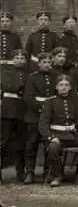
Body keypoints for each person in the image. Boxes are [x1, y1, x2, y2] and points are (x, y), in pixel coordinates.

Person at [38, 74, 78, 187]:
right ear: (56, 87)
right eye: (61, 85)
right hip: (56, 135)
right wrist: (51, 137)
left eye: (66, 85)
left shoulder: (74, 101)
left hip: (71, 135)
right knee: (53, 148)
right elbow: (43, 124)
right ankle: (57, 175)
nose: (64, 87)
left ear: (70, 87)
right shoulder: (50, 102)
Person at [23, 52, 56, 184]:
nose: (47, 65)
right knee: (31, 144)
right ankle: (30, 172)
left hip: (51, 117)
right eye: (44, 62)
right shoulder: (32, 78)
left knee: (49, 144)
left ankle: (48, 172)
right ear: (39, 63)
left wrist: (50, 111)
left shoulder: (56, 77)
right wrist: (42, 108)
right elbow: (28, 98)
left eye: (49, 62)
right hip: (34, 115)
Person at [0, 49, 28, 182]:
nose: (19, 60)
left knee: (21, 142)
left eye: (22, 58)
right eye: (17, 58)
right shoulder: (5, 73)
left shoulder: (29, 74)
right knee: (3, 141)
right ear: (12, 60)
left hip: (23, 111)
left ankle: (20, 172)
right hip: (7, 110)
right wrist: (21, 88)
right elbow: (8, 87)